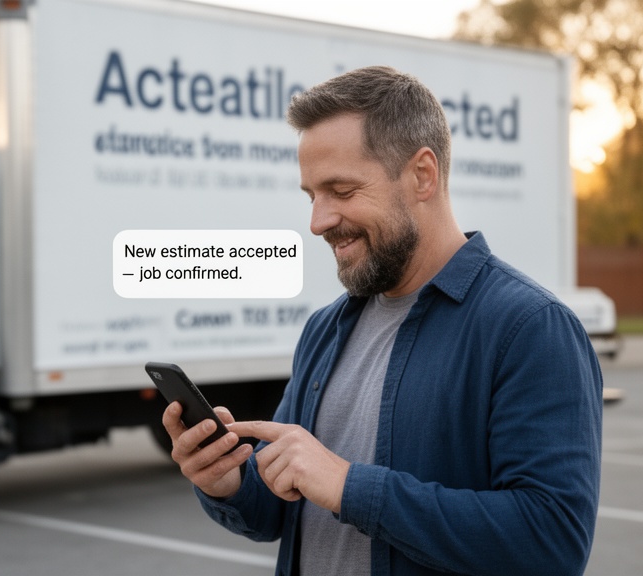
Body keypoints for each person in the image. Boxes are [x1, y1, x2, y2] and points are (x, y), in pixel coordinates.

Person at [162, 66, 602, 576]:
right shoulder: (323, 331)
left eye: (341, 191)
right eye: (311, 196)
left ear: (422, 175)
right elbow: (275, 508)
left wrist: (351, 487)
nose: (318, 221)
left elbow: (552, 543)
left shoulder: (530, 328)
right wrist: (227, 483)